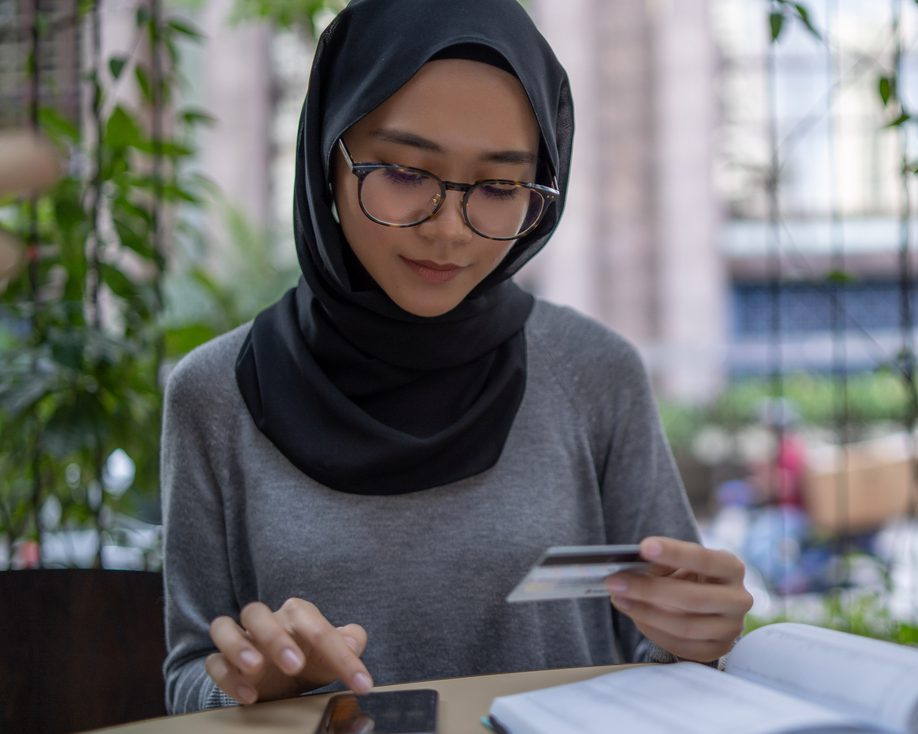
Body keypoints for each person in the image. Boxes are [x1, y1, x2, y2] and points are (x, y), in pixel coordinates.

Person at [160, 0, 751, 713]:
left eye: (500, 188)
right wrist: (260, 686)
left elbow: (667, 656)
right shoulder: (213, 394)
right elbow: (189, 679)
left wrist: (702, 640)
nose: (448, 230)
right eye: (405, 173)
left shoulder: (595, 373)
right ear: (328, 155)